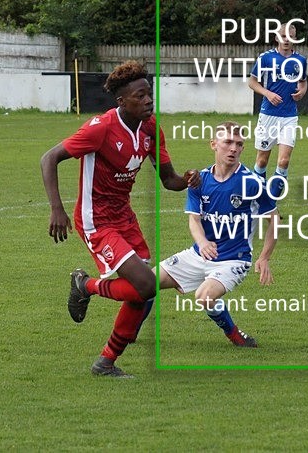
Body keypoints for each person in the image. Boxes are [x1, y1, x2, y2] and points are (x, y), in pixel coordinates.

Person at [41, 61, 200, 378]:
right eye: (140, 96)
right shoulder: (100, 128)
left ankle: (105, 362)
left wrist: (189, 179)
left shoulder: (151, 128)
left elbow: (168, 179)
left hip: (124, 217)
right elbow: (49, 158)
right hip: (96, 219)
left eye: (149, 94)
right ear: (122, 101)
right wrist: (56, 208)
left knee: (142, 292)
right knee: (146, 285)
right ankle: (85, 285)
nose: (148, 100)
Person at [156, 121, 278, 347]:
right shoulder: (199, 180)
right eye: (228, 142)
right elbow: (194, 219)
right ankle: (129, 333)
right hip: (199, 254)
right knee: (146, 282)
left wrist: (264, 257)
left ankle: (234, 334)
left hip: (233, 260)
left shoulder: (251, 182)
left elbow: (275, 219)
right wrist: (202, 242)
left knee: (204, 296)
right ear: (213, 144)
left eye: (239, 144)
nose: (233, 148)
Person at [248, 21, 307, 189]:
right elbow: (252, 82)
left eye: (290, 37)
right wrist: (267, 93)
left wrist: (302, 91)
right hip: (268, 115)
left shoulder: (300, 60)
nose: (286, 40)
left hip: (289, 116)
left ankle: (271, 199)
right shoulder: (266, 58)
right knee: (262, 161)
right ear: (276, 38)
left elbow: (303, 82)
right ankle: (258, 194)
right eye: (283, 36)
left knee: (284, 161)